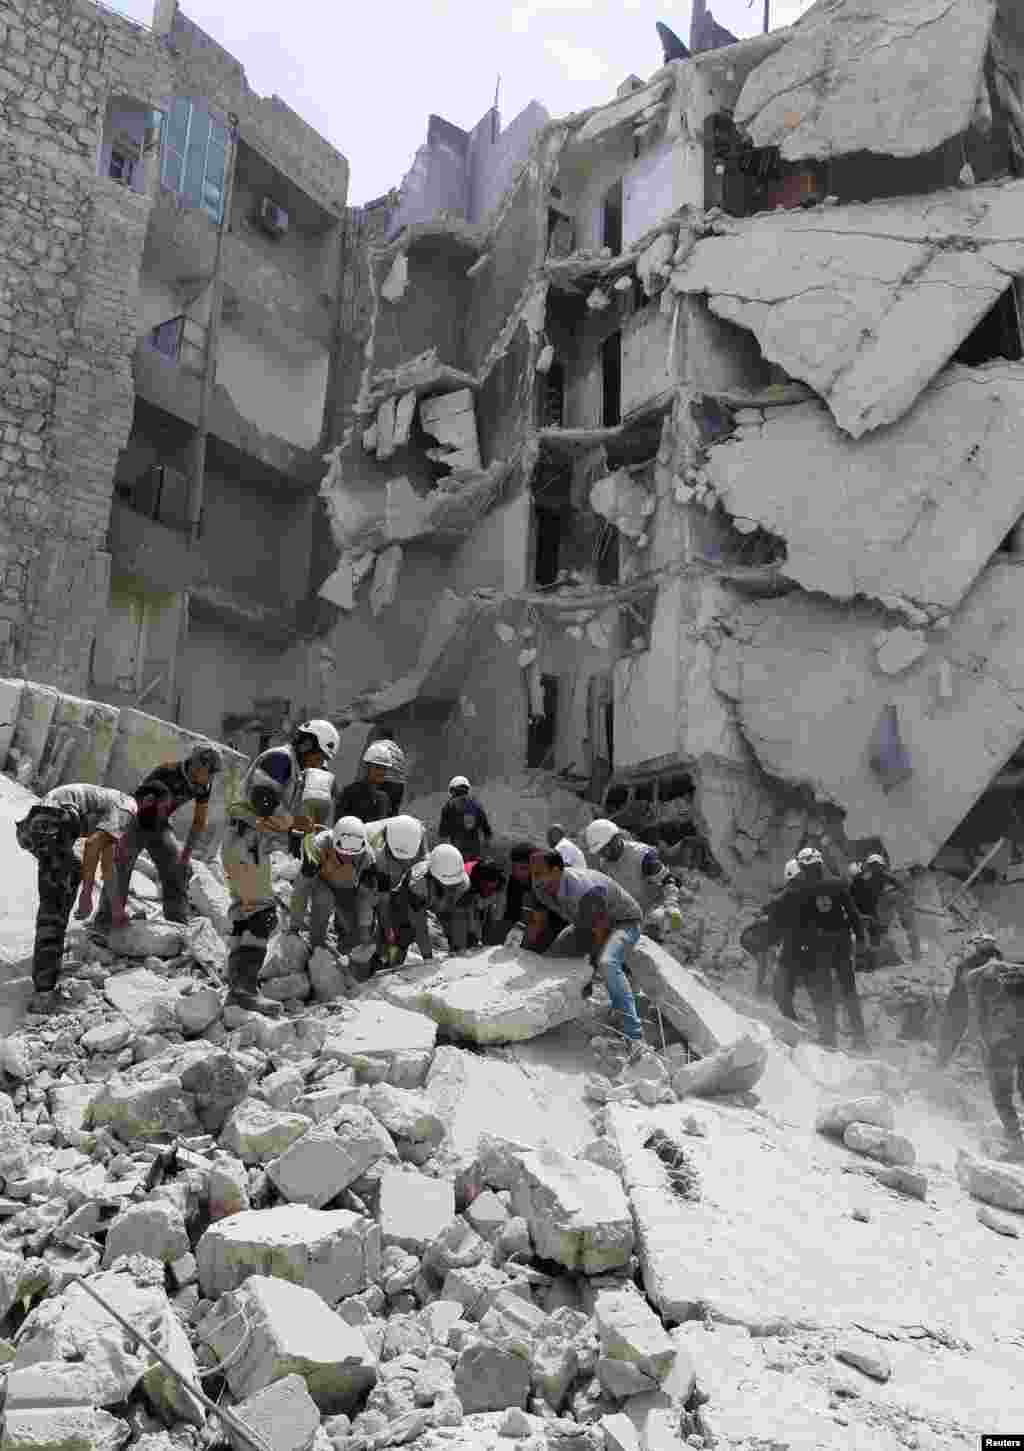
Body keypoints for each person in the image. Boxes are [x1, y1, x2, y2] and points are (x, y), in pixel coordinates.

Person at [511, 851, 648, 1058]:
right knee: (548, 962)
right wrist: (522, 953)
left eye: (539, 873)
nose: (535, 879)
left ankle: (634, 1036)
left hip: (623, 922)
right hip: (585, 923)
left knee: (607, 963)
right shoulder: (541, 886)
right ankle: (545, 1018)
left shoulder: (586, 891)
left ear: (557, 871)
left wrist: (587, 976)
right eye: (533, 873)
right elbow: (537, 922)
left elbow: (599, 935)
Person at [15, 784, 138, 1011]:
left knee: (69, 875)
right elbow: (92, 845)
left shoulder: (111, 804)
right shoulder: (128, 808)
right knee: (54, 911)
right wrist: (86, 895)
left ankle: (48, 972)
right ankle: (43, 993)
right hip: (52, 826)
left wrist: (118, 909)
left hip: (40, 827)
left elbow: (107, 865)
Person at [94, 742, 223, 931]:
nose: (212, 777)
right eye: (210, 771)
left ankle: (178, 924)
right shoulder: (167, 772)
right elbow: (134, 804)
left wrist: (185, 856)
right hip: (136, 819)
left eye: (214, 773)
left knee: (178, 866)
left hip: (160, 824)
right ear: (197, 765)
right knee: (122, 863)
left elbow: (199, 821)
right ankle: (106, 922)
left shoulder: (204, 785)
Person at [776, 846, 869, 1049]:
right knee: (849, 992)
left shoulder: (800, 890)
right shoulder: (838, 883)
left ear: (802, 866)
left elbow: (797, 922)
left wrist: (797, 949)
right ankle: (861, 1040)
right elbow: (853, 913)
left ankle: (829, 1040)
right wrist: (861, 938)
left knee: (825, 993)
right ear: (821, 863)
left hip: (819, 948)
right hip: (843, 944)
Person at [220, 776, 295, 1017]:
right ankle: (246, 991)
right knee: (262, 917)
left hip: (241, 863)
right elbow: (283, 826)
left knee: (244, 918)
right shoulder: (254, 824)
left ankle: (237, 989)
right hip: (246, 863)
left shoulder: (242, 819)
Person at [289, 815, 378, 970]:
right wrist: (294, 926)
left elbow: (365, 898)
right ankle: (316, 949)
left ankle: (346, 961)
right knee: (324, 901)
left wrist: (364, 933)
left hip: (348, 887)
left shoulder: (367, 857)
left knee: (355, 931)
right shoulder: (319, 847)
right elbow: (302, 889)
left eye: (354, 851)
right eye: (344, 850)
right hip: (321, 882)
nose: (349, 855)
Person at [240, 719, 341, 850]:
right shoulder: (280, 758)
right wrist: (294, 822)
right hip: (241, 840)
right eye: (318, 758)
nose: (318, 765)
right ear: (306, 745)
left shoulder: (297, 772)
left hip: (258, 846)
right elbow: (262, 799)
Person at [583, 819, 682, 941]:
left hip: (654, 911)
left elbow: (668, 881)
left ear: (617, 838)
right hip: (632, 914)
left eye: (607, 847)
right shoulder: (604, 864)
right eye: (601, 851)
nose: (605, 853)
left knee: (655, 921)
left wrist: (671, 905)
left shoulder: (642, 857)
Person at [364, 815, 430, 967]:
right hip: (364, 870)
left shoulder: (418, 835)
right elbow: (383, 901)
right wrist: (387, 931)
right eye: (400, 859)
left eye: (408, 859)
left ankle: (395, 956)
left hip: (400, 875)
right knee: (376, 921)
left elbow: (417, 911)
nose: (406, 862)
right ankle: (378, 958)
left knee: (405, 919)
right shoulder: (380, 859)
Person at [935, 931, 1003, 1067]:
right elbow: (966, 979)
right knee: (952, 1034)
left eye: (990, 944)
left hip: (980, 1005)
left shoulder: (993, 962)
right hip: (961, 1003)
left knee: (985, 1037)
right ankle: (942, 1063)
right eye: (981, 943)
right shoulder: (971, 962)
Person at [849, 854, 921, 964]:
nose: (876, 868)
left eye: (877, 866)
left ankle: (913, 951)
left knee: (879, 932)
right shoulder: (864, 879)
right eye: (874, 866)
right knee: (876, 933)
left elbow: (900, 886)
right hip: (870, 909)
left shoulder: (873, 877)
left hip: (875, 908)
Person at [407, 843, 474, 956]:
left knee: (448, 945)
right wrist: (428, 958)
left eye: (454, 885)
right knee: (406, 938)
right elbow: (419, 926)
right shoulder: (418, 886)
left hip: (439, 907)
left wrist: (460, 948)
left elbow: (460, 917)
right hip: (411, 909)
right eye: (448, 885)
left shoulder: (462, 882)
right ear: (434, 877)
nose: (452, 888)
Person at [336, 743, 393, 826]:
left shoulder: (384, 799)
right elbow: (339, 824)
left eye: (384, 768)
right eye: (377, 768)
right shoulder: (350, 793)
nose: (381, 772)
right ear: (367, 767)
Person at [438, 776, 493, 861]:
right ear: (467, 789)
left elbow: (443, 834)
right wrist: (486, 854)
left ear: (452, 790)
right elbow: (487, 832)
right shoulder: (477, 805)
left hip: (456, 854)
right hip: (475, 853)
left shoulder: (448, 806)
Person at [464, 858, 509, 946]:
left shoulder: (500, 885)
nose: (488, 891)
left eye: (491, 888)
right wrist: (474, 936)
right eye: (486, 888)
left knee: (491, 929)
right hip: (468, 893)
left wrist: (495, 936)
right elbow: (471, 913)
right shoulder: (467, 884)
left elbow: (498, 915)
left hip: (479, 891)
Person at [365, 725, 408, 814]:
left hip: (384, 782)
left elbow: (369, 765)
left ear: (380, 735)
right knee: (393, 813)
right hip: (399, 785)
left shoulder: (377, 745)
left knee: (378, 812)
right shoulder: (398, 750)